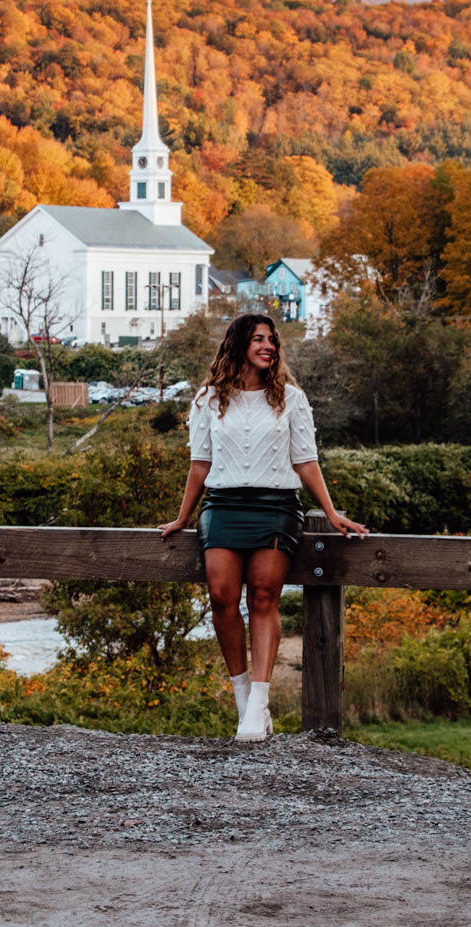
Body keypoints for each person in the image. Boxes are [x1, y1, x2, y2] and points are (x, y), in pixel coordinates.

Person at [158, 312, 368, 743]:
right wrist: (183, 517)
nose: (268, 346)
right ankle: (242, 698)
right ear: (238, 345)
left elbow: (305, 461)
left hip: (275, 506)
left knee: (264, 596)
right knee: (221, 597)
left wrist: (330, 512)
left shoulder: (291, 399)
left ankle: (259, 704)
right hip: (223, 504)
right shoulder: (209, 399)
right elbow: (200, 464)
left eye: (272, 340)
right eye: (258, 339)